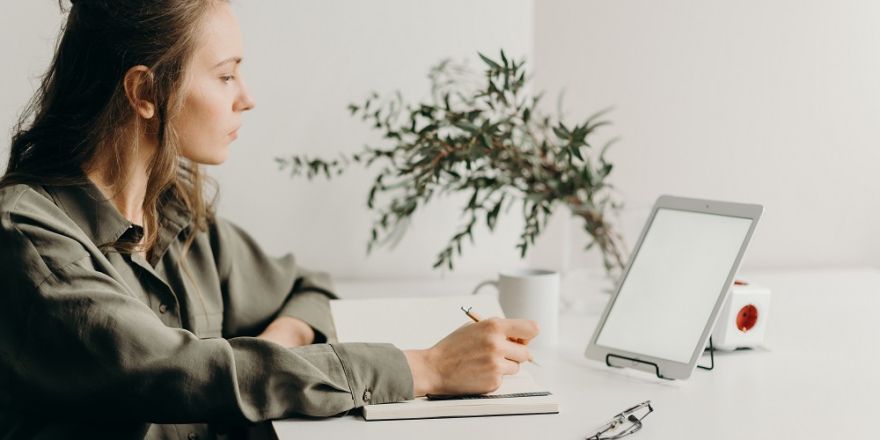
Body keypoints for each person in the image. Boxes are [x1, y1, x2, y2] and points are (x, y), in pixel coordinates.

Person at [0, 0, 539, 438]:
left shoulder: (175, 215)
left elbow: (307, 289)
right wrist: (428, 369)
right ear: (145, 92)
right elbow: (180, 371)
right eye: (226, 76)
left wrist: (277, 345)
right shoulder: (28, 239)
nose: (248, 99)